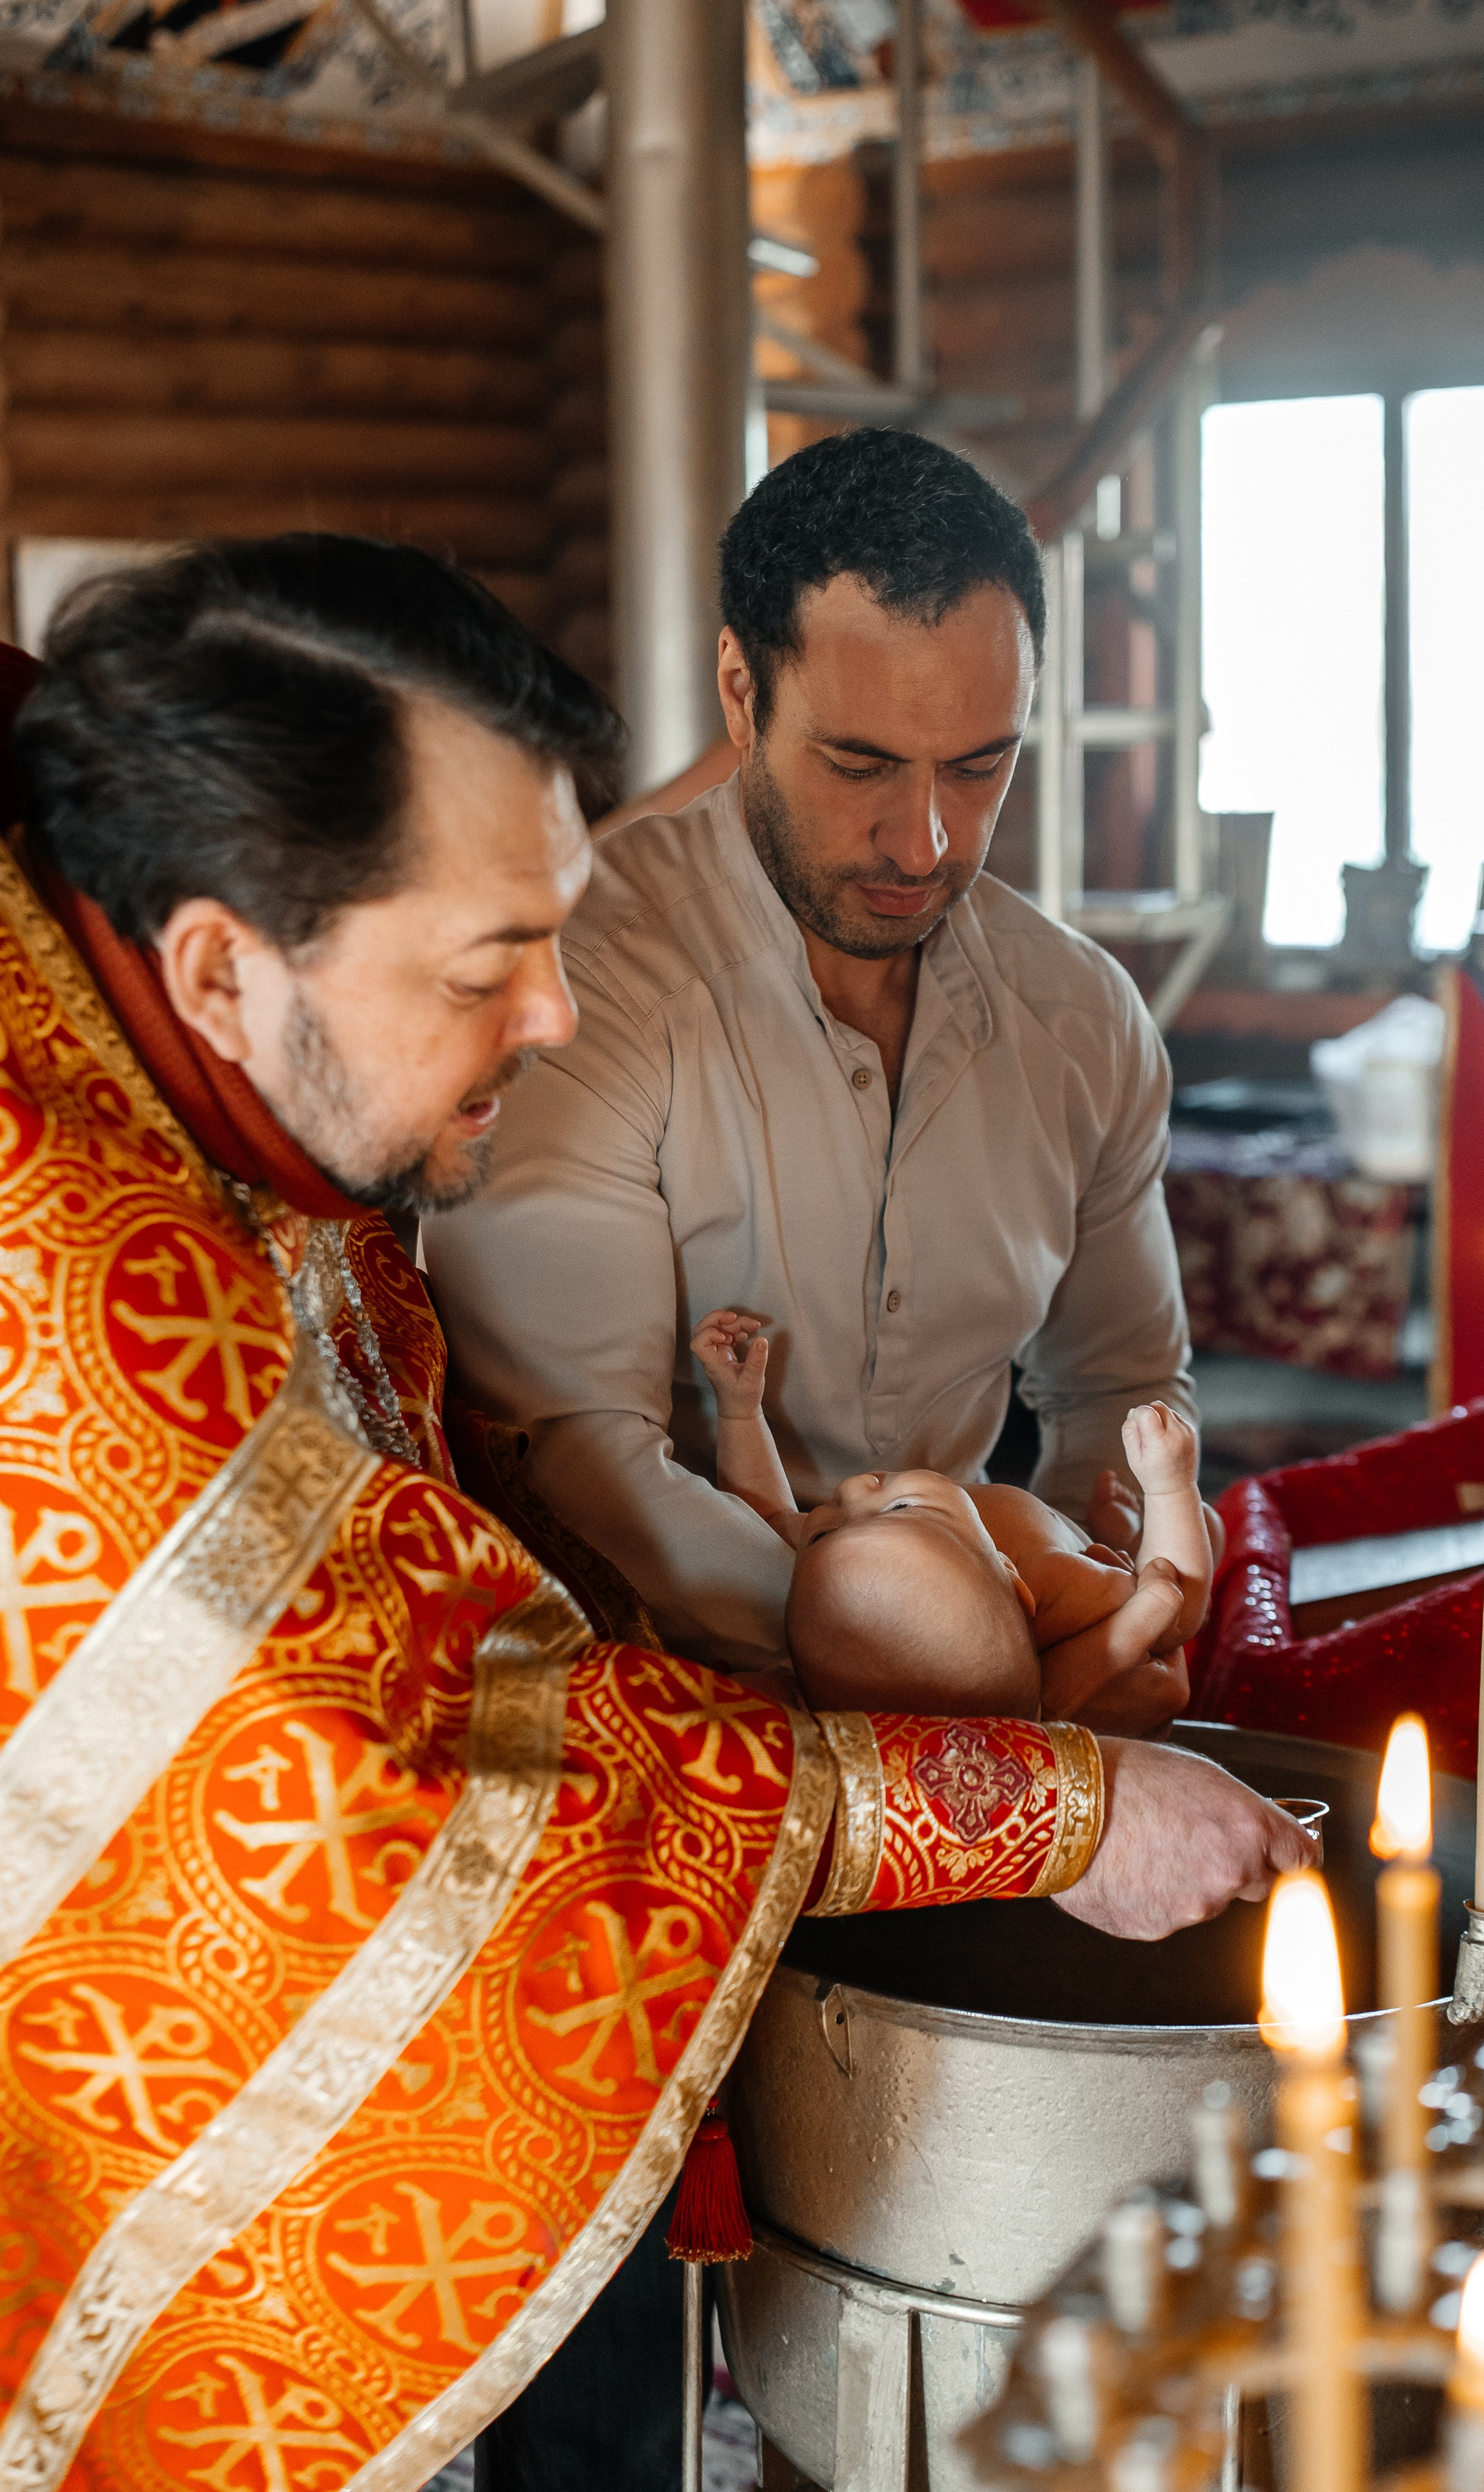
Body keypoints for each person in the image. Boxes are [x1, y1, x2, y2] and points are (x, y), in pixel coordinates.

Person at [0, 543, 1310, 2492]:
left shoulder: (195, 1067)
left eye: (563, 932)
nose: (562, 1014)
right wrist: (1047, 1809)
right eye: (490, 960)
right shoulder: (35, 1266)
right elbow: (377, 1801)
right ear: (229, 965)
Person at [424, 428, 1202, 1679]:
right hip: (683, 1720)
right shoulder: (573, 992)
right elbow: (578, 1470)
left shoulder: (1085, 1021)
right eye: (861, 765)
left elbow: (1121, 1391)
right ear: (742, 694)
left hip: (1006, 1668)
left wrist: (1104, 1612)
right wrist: (958, 1693)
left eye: (981, 765)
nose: (926, 842)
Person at [691, 1307, 1210, 1727]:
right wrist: (1169, 1486)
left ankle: (1108, 1531)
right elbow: (1174, 1611)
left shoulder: (837, 1569)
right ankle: (1116, 1534)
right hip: (1093, 1565)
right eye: (897, 1507)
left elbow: (767, 1516)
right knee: (1208, 1526)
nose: (849, 1493)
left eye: (823, 1528)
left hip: (1081, 1545)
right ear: (1012, 1579)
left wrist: (739, 1411)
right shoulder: (1057, 1590)